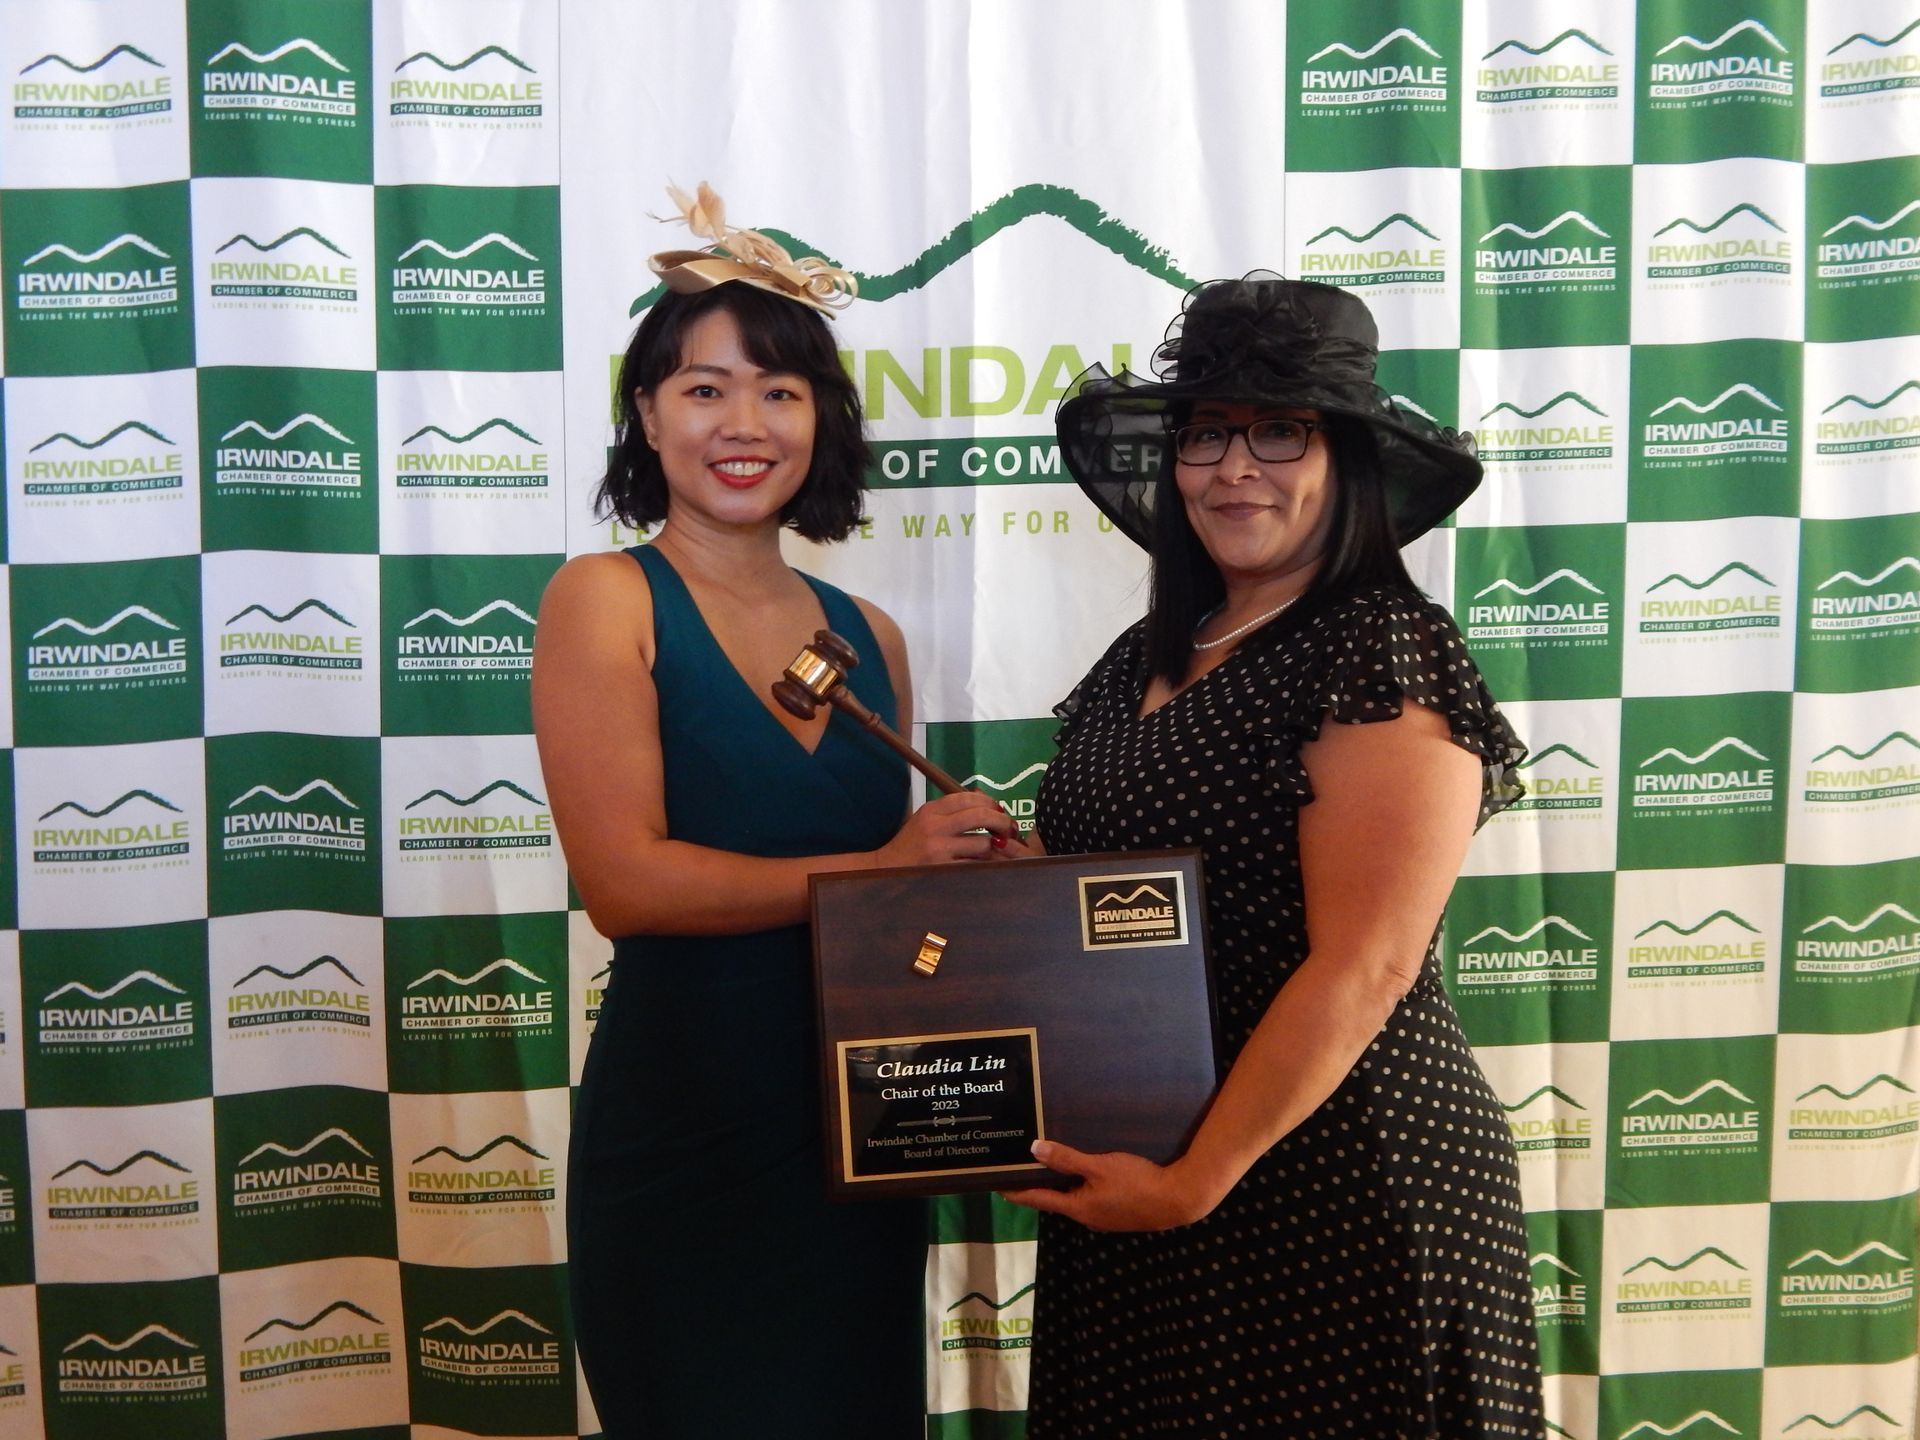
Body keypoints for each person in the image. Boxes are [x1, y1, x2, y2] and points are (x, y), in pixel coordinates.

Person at [1001, 273, 1545, 1437]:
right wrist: (999, 870)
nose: (1233, 467)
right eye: (1206, 433)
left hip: (1330, 1186)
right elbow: (1112, 886)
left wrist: (1194, 1180)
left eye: (1279, 431)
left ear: (1345, 459)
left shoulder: (1380, 648)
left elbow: (1367, 965)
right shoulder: (1148, 652)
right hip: (1146, 1170)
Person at [532, 185, 1013, 1437]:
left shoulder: (871, 635)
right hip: (687, 1130)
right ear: (648, 414)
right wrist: (884, 868)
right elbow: (627, 886)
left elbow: (907, 918)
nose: (744, 425)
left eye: (781, 392)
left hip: (865, 1135)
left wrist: (987, 886)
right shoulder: (605, 598)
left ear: (821, 420)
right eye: (706, 389)